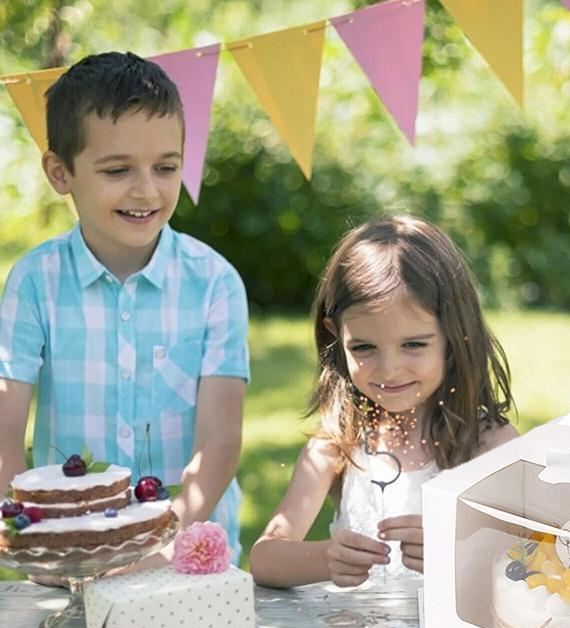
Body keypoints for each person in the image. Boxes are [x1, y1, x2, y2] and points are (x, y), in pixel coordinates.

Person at [0, 52, 249, 561]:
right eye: (118, 170)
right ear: (60, 172)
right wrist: (39, 536)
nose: (147, 190)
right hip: (70, 559)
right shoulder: (33, 283)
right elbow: (4, 441)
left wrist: (159, 541)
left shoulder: (215, 283)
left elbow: (218, 445)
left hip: (188, 557)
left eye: (166, 168)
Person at [250, 216, 517, 588]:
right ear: (336, 337)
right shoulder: (338, 441)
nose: (389, 370)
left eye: (413, 344)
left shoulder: (489, 444)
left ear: (455, 335)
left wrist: (460, 553)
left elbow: (535, 561)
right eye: (363, 348)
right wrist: (325, 558)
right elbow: (265, 558)